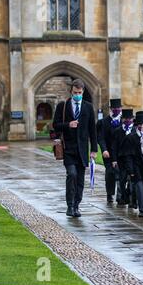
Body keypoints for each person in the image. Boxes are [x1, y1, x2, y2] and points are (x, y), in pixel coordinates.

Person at [52, 79, 97, 218]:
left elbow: (92, 130)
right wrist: (68, 125)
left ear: (83, 92)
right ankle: (69, 205)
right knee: (71, 174)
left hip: (82, 149)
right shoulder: (63, 106)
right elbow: (55, 125)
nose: (77, 95)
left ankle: (77, 205)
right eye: (75, 92)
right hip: (68, 148)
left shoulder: (88, 107)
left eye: (79, 93)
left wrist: (94, 149)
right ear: (71, 91)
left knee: (80, 179)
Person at [124, 111, 143, 217]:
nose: (142, 126)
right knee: (139, 187)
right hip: (136, 167)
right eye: (140, 124)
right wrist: (130, 170)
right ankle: (142, 209)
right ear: (137, 125)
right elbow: (128, 156)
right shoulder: (131, 137)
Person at [97, 99, 122, 204]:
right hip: (108, 153)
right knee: (110, 173)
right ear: (111, 109)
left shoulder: (124, 121)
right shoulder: (104, 122)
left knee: (121, 173)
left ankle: (121, 195)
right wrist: (104, 149)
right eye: (114, 109)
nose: (116, 110)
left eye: (118, 109)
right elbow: (101, 137)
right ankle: (110, 193)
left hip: (121, 152)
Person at [112, 109, 135, 207]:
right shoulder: (118, 131)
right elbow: (114, 146)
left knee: (132, 179)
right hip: (121, 159)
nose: (127, 120)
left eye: (129, 118)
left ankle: (131, 198)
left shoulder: (134, 130)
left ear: (133, 119)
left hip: (132, 159)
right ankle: (123, 196)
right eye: (125, 118)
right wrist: (114, 159)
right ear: (122, 119)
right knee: (122, 179)